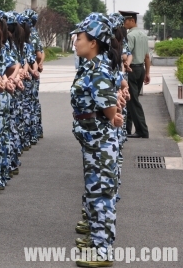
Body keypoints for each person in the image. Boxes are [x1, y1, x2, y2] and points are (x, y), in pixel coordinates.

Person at [70, 13, 124, 267]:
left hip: (100, 140)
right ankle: (97, 241)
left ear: (93, 42)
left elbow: (109, 109)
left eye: (79, 38)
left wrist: (113, 117)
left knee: (101, 193)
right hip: (93, 139)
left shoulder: (99, 69)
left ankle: (104, 252)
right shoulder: (92, 66)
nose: (75, 42)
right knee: (94, 192)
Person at [119, 10, 150, 139]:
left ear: (132, 20)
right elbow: (147, 56)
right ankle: (128, 129)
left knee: (133, 101)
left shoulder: (130, 36)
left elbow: (127, 54)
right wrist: (147, 73)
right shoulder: (143, 35)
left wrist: (124, 67)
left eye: (125, 20)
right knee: (132, 101)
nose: (123, 23)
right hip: (140, 69)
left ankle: (142, 130)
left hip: (131, 70)